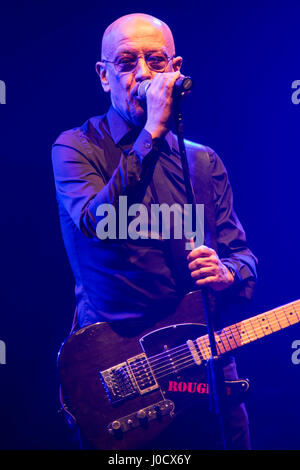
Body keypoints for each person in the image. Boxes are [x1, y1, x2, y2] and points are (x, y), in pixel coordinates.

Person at [52, 13, 257, 450]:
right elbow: (97, 223)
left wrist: (227, 273)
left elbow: (242, 257)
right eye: (127, 62)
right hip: (119, 369)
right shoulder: (75, 148)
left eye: (156, 61)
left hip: (203, 367)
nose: (143, 74)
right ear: (104, 76)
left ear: (175, 69)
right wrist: (151, 133)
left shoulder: (203, 161)